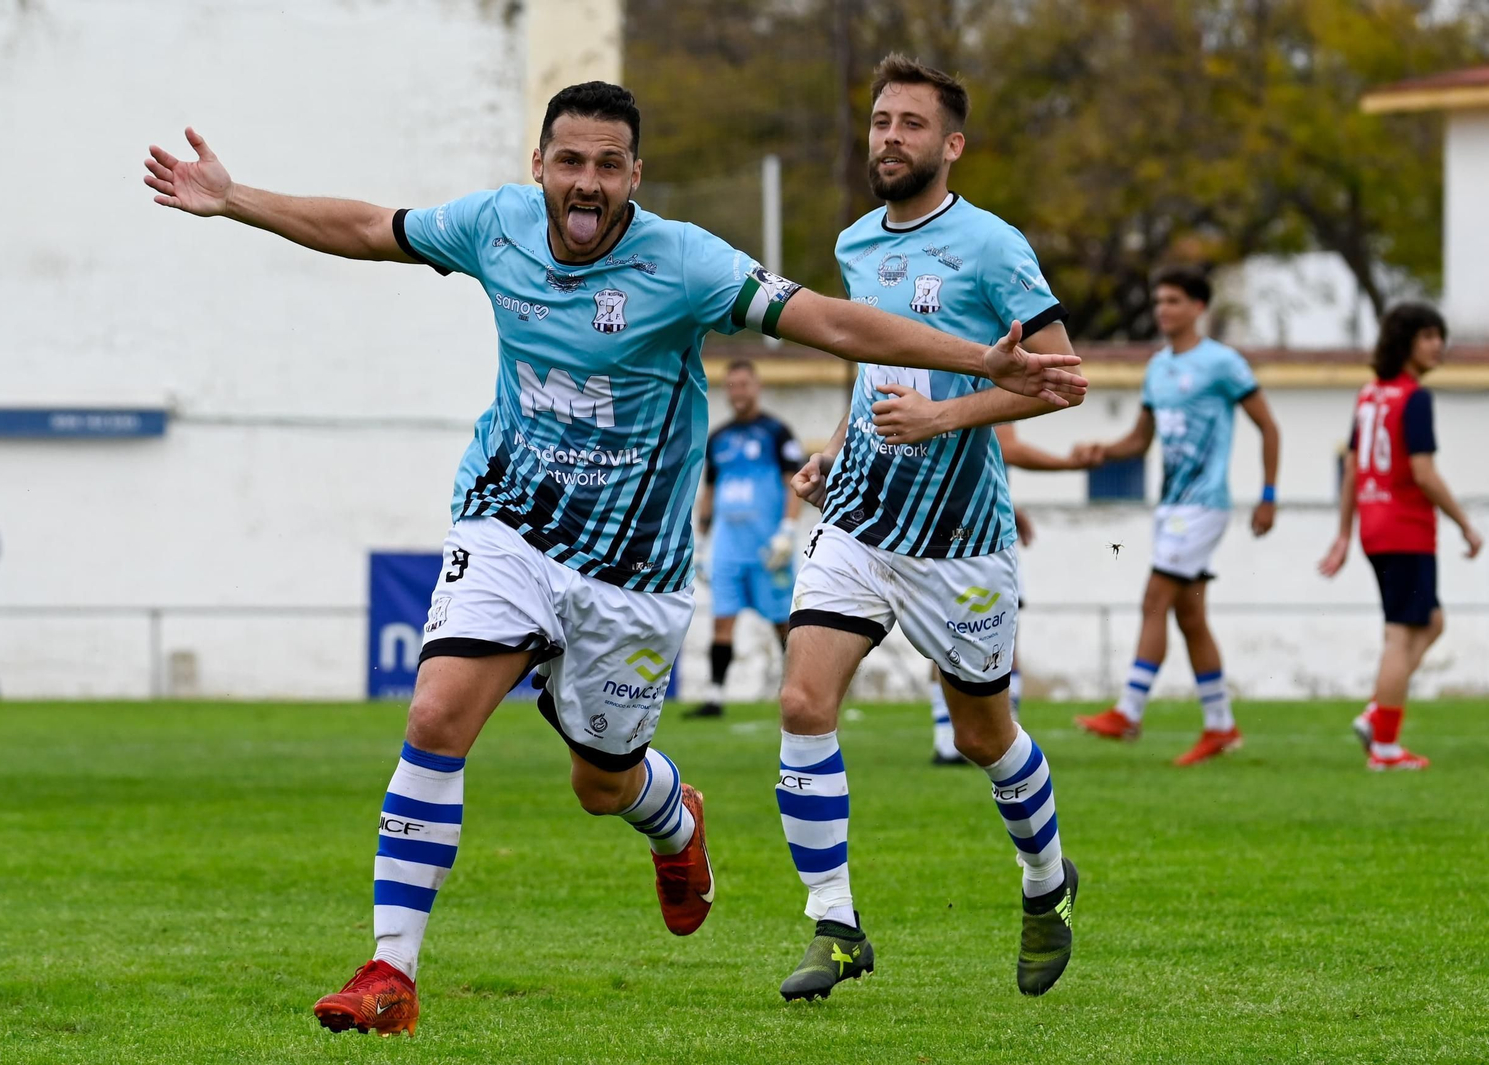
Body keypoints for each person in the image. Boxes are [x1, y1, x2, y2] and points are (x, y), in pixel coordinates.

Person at [145, 82, 1086, 1035]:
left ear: (634, 175)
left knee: (602, 781)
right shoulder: (494, 226)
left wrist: (978, 364)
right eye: (570, 161)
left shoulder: (684, 262)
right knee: (437, 714)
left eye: (607, 165)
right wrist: (236, 199)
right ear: (540, 166)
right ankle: (392, 968)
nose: (585, 183)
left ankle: (673, 818)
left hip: (632, 570)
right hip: (507, 520)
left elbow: (835, 324)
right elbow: (372, 227)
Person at [774, 55, 1081, 1004]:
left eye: (911, 123)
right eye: (878, 120)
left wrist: (944, 418)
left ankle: (1046, 883)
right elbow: (871, 369)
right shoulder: (857, 242)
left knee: (987, 735)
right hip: (860, 519)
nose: (889, 137)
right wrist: (835, 443)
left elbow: (1065, 377)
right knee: (800, 702)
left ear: (952, 145)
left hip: (961, 541)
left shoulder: (992, 246)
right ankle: (834, 922)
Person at [1073, 267, 1279, 767]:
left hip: (1203, 505)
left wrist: (1269, 495)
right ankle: (1221, 725)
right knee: (1189, 616)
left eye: (1173, 301)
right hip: (1171, 506)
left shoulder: (1223, 363)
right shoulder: (1157, 367)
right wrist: (1102, 451)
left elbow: (1269, 428)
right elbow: (1140, 441)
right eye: (1159, 301)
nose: (1163, 309)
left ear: (1197, 308)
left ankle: (1129, 712)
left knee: (1154, 598)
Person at [1318, 303, 1482, 770]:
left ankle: (1377, 713)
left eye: (1439, 336)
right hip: (1406, 528)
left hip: (1374, 525)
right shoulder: (1414, 397)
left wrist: (1345, 533)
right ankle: (1386, 747)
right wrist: (1465, 523)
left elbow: (1352, 466)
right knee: (1401, 632)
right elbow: (1423, 473)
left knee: (1430, 621)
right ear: (1405, 341)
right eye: (1427, 336)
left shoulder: (1370, 395)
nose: (1437, 345)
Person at [930, 425, 1094, 764]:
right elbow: (1008, 447)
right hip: (980, 532)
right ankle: (1002, 734)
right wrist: (1068, 465)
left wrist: (1008, 501)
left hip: (940, 523)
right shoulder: (985, 377)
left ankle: (948, 740)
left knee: (940, 635)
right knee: (999, 634)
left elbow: (975, 457)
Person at [687, 360, 804, 718]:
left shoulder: (776, 433)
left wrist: (788, 529)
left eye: (744, 385)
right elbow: (709, 490)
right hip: (728, 547)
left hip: (768, 546)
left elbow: (793, 485)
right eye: (732, 386)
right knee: (722, 619)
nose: (738, 393)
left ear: (756, 387)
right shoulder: (718, 438)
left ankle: (801, 691)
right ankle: (715, 697)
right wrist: (702, 542)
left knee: (783, 621)